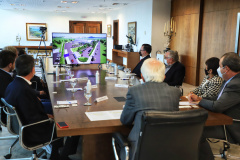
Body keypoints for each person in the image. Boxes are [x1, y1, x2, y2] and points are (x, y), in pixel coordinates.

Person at [120, 58, 181, 160]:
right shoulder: (175, 92)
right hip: (170, 145)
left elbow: (125, 120)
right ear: (164, 76)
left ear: (142, 77)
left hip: (140, 147)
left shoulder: (134, 91)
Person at [189, 52, 240, 160]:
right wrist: (200, 99)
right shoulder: (230, 80)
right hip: (223, 118)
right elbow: (218, 98)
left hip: (231, 125)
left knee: (196, 131)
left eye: (220, 67)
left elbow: (217, 106)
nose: (218, 69)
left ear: (226, 69)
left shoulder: (236, 84)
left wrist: (199, 102)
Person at [0, 50, 17, 128]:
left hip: (7, 112)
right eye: (15, 62)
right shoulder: (5, 80)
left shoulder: (5, 75)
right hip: (12, 115)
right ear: (10, 65)